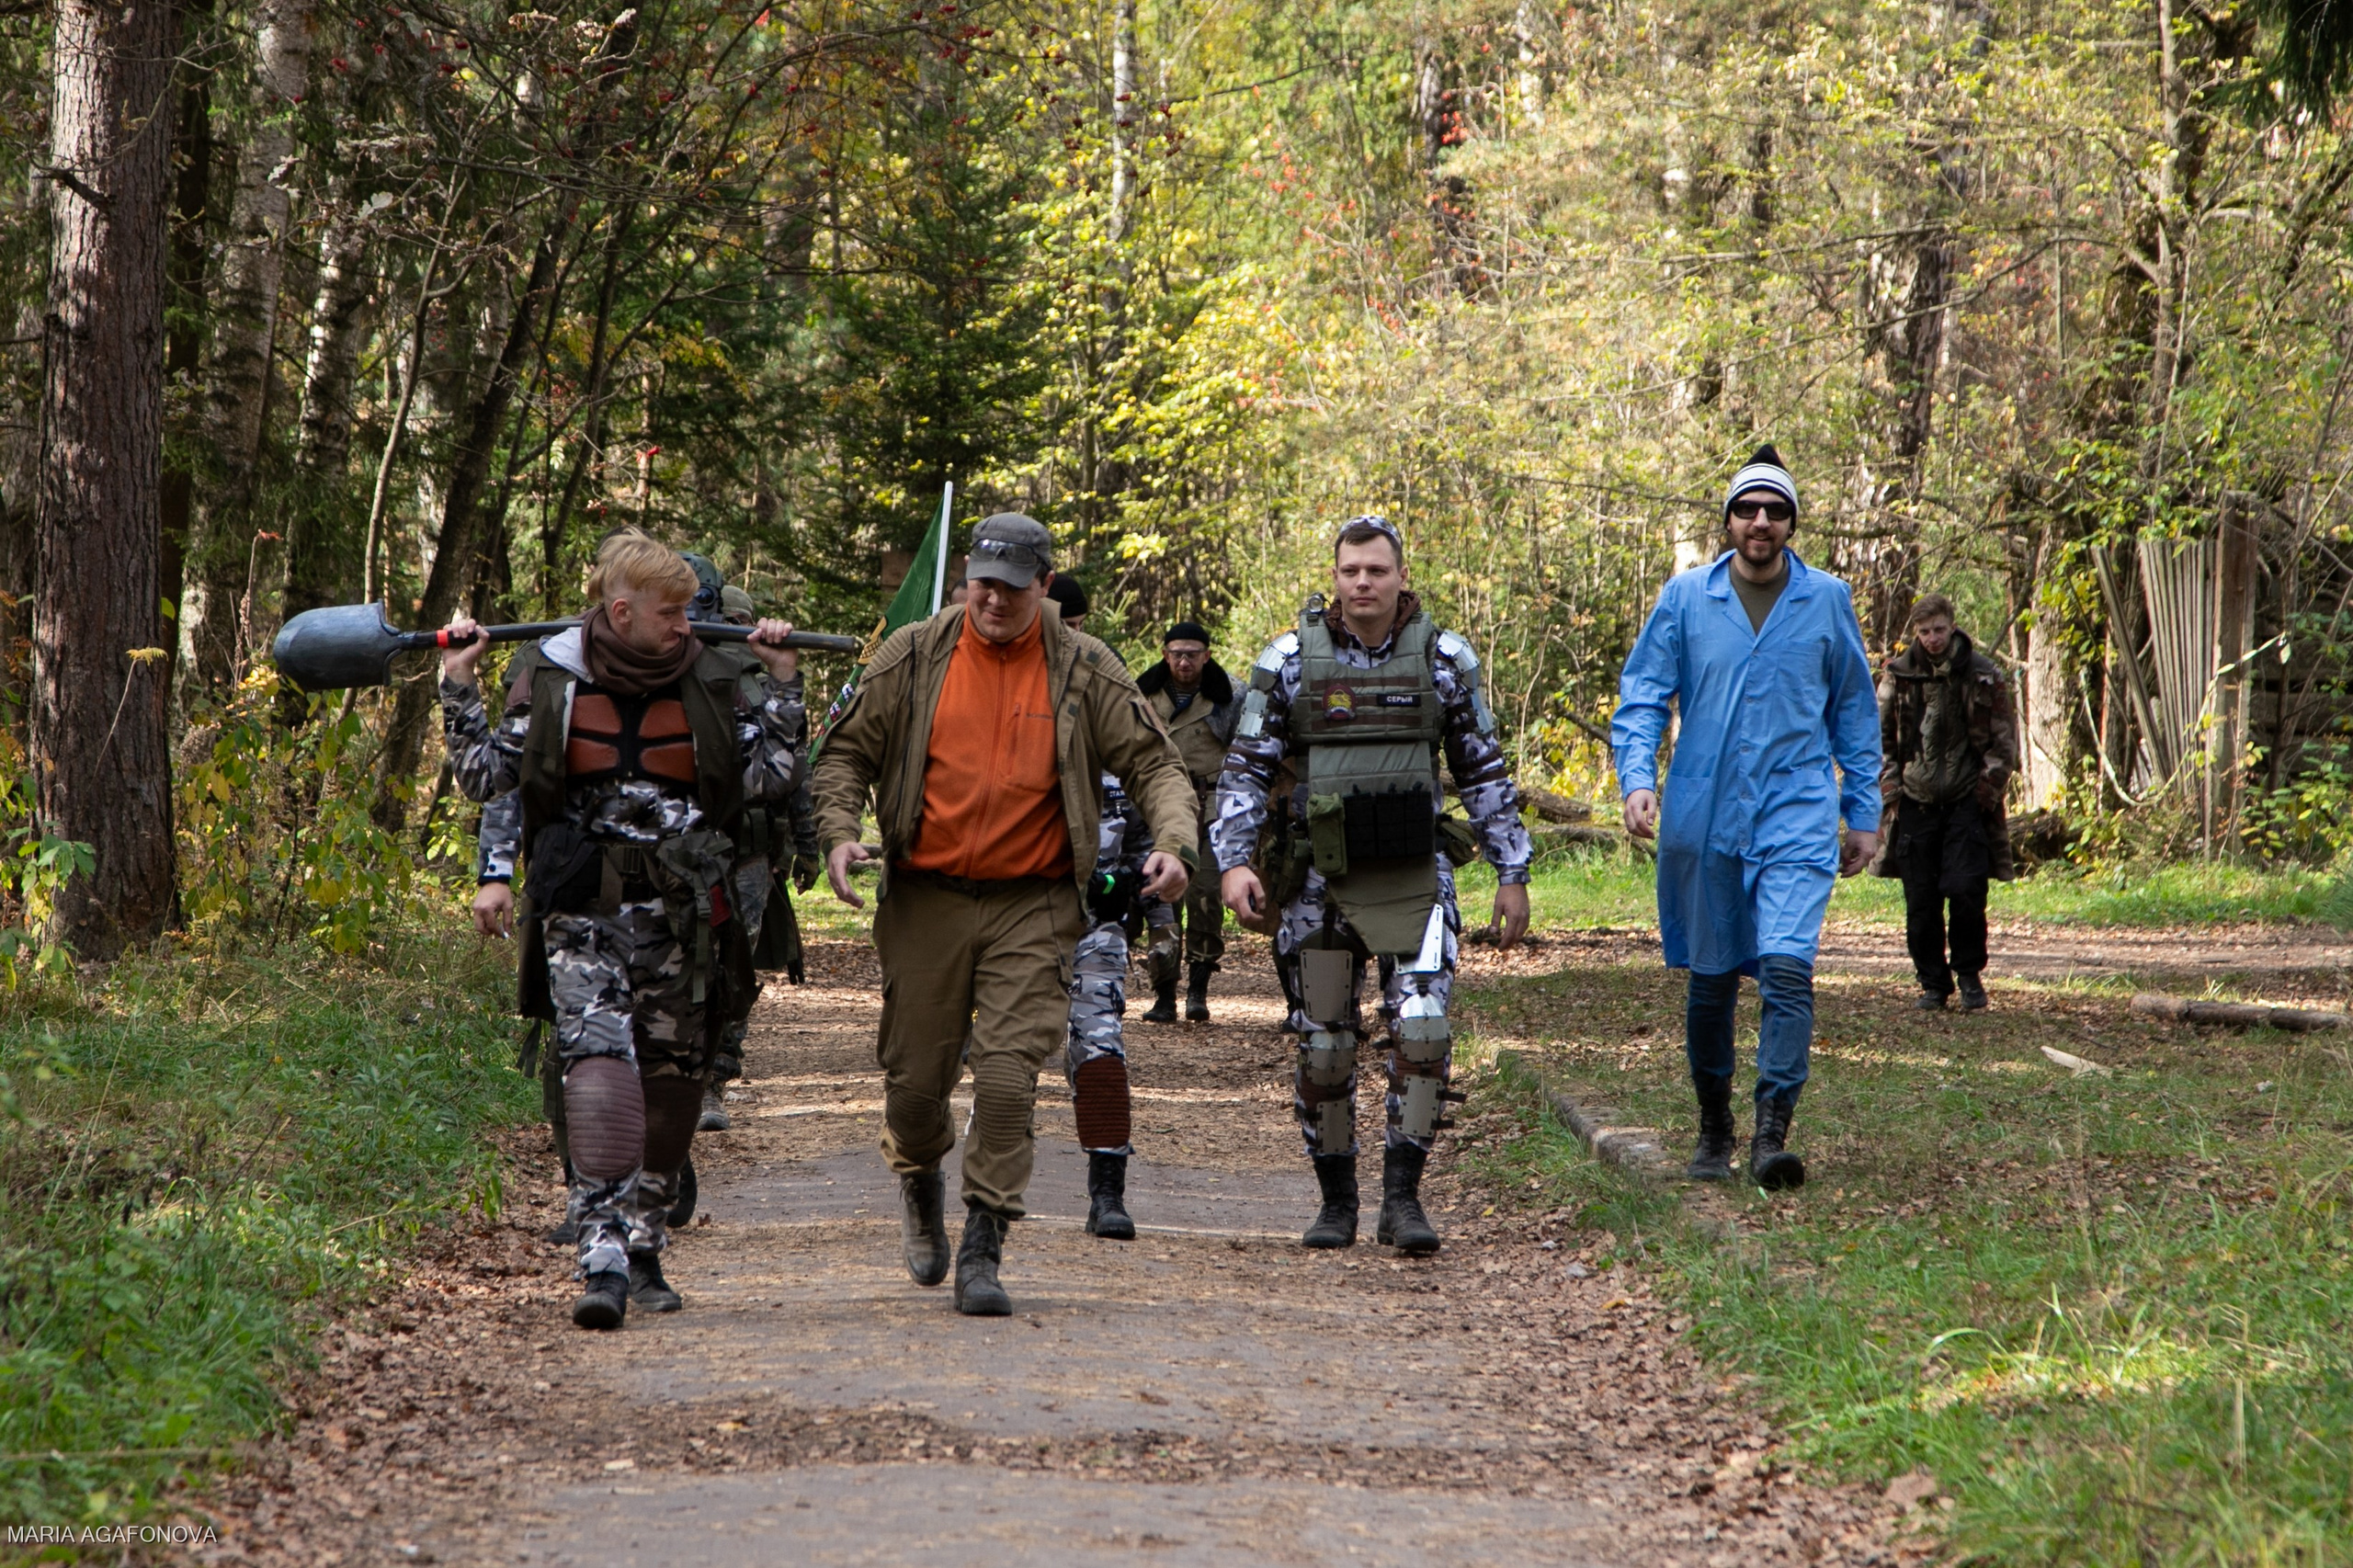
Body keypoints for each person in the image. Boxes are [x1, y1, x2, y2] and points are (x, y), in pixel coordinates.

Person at [812, 514, 1197, 1316]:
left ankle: (986, 1241)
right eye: (983, 583)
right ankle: (919, 1180)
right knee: (915, 1088)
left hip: (1035, 902)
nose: (994, 600)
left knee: (1008, 1078)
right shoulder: (915, 652)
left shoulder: (1084, 665)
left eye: (1013, 588)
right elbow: (846, 751)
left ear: (1043, 586)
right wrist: (841, 834)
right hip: (926, 899)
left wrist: (1174, 843)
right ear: (967, 578)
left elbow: (1156, 761)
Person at [443, 530, 805, 1329]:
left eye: (689, 611)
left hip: (684, 920)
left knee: (672, 1089)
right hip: (583, 914)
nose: (686, 624)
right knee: (599, 1073)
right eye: (671, 612)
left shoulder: (711, 681)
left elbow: (772, 781)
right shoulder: (553, 677)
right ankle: (601, 1259)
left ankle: (645, 1243)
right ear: (621, 611)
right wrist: (457, 685)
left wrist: (782, 682)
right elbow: (485, 778)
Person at [1216, 515, 1532, 1256]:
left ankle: (1403, 1199)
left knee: (1422, 1033)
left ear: (1400, 576)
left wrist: (1511, 870)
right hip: (1319, 886)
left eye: (1377, 570)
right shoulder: (1288, 660)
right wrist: (1233, 862)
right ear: (1335, 576)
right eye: (1350, 570)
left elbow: (1483, 768)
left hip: (1417, 879)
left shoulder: (1446, 660)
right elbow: (1245, 768)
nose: (1363, 582)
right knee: (1324, 1047)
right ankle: (1336, 1203)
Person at [1610, 445, 1881, 1191]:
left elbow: (1854, 710)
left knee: (1789, 971)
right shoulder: (1686, 599)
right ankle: (1713, 1126)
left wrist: (1863, 810)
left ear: (1792, 522)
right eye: (1747, 509)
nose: (1760, 522)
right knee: (1712, 981)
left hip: (1795, 809)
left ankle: (1771, 1135)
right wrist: (1638, 780)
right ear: (1728, 520)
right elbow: (1641, 699)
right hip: (1704, 812)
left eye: (1775, 511)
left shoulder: (1827, 598)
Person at [1870, 593, 2018, 1012]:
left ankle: (1969, 975)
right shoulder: (1897, 677)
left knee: (1968, 892)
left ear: (1952, 626)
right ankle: (1933, 983)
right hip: (1914, 802)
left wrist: (1986, 793)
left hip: (1966, 801)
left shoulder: (1984, 675)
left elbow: (2004, 742)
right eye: (1923, 632)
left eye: (1938, 630)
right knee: (1921, 900)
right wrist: (1892, 789)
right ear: (1914, 634)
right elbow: (1878, 740)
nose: (1932, 639)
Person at [1137, 624, 1239, 1022]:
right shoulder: (1142, 694)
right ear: (1165, 654)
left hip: (1213, 807)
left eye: (1192, 654)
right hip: (1159, 809)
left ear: (1207, 655)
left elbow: (1250, 752)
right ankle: (1164, 994)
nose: (1184, 661)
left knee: (1207, 896)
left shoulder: (1230, 697)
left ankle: (1199, 988)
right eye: (1177, 653)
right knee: (1161, 898)